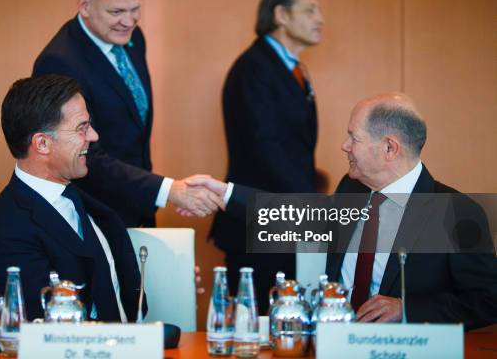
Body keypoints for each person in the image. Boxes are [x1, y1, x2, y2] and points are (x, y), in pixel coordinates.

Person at [189, 93, 497, 329]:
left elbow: (488, 299)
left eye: (354, 137)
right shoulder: (351, 190)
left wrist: (408, 310)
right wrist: (226, 193)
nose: (344, 146)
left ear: (390, 148)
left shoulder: (455, 212)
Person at [33, 0, 222, 227]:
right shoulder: (60, 61)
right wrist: (168, 190)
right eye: (117, 12)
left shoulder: (134, 39)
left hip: (138, 203)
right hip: (94, 213)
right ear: (84, 5)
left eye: (136, 10)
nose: (129, 21)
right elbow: (81, 153)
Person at [0, 75, 146, 322]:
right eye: (82, 128)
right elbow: (41, 331)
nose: (94, 136)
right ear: (43, 143)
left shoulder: (88, 201)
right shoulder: (6, 229)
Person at [209, 0, 324, 313]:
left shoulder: (294, 68)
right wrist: (312, 205)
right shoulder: (254, 67)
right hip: (258, 222)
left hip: (286, 219)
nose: (321, 18)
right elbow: (264, 146)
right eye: (310, 10)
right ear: (281, 15)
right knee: (257, 326)